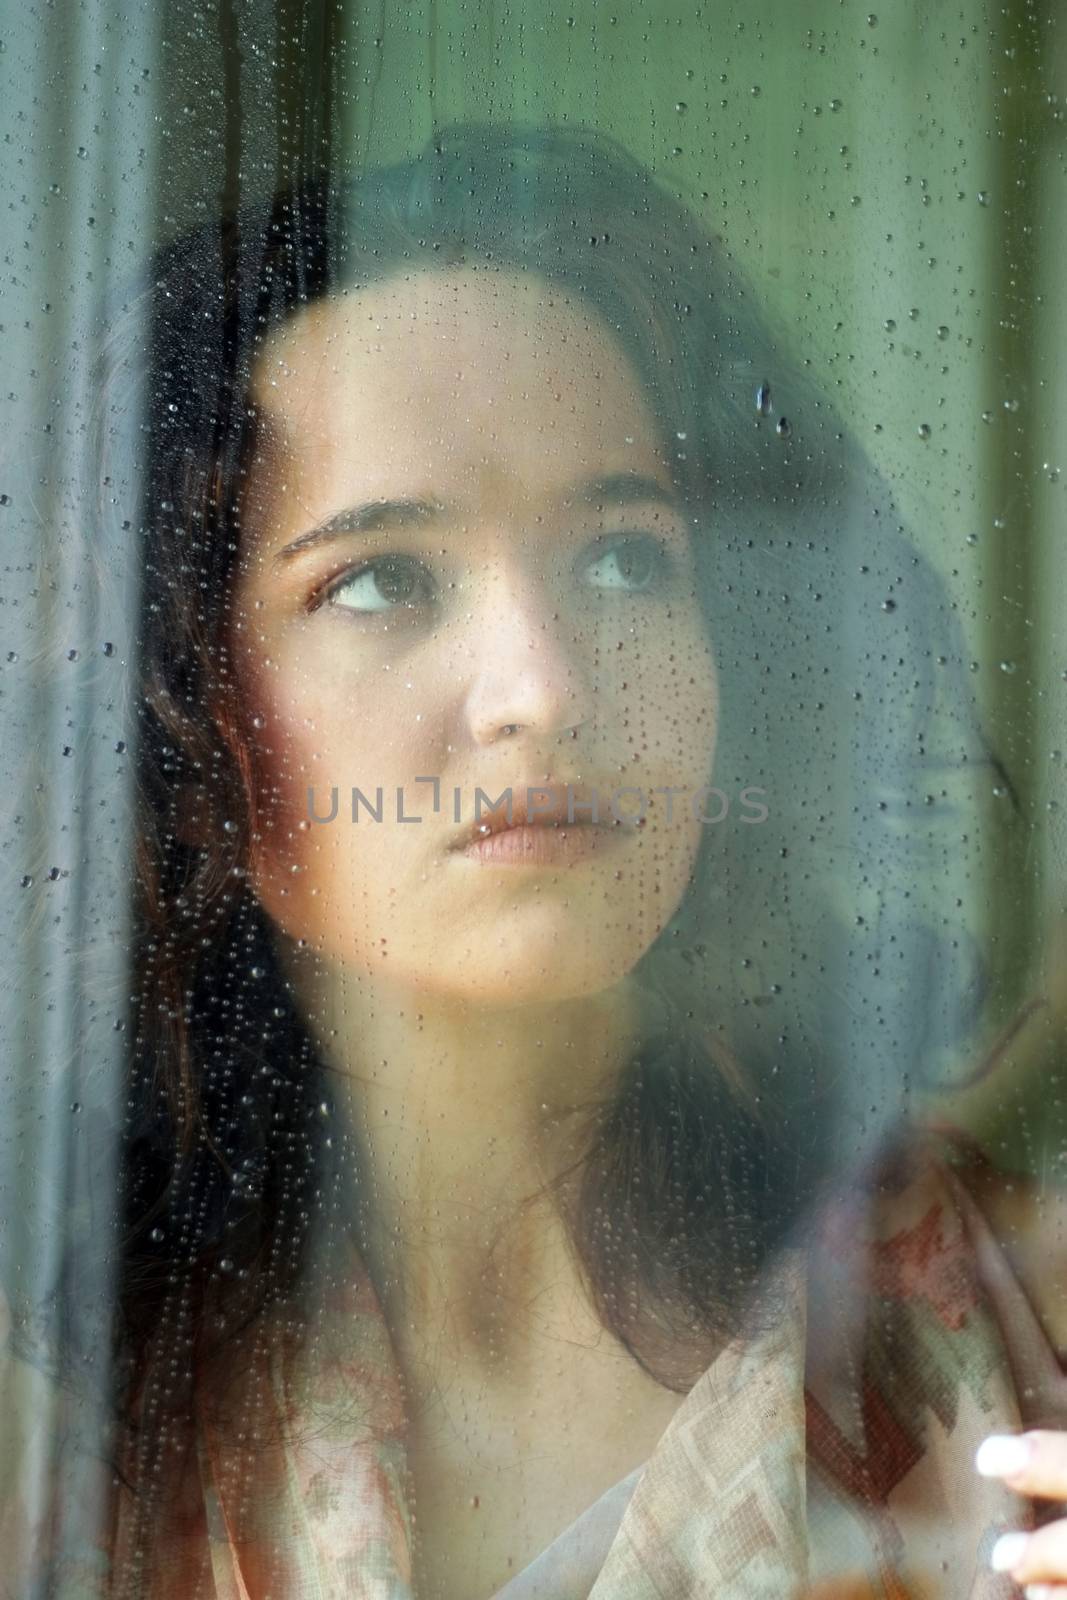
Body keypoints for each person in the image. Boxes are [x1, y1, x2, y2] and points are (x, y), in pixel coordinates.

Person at [6, 118, 1067, 1599]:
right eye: (382, 579)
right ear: (182, 714)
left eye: (628, 557)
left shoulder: (1025, 1315)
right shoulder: (59, 1413)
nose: (548, 688)